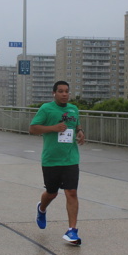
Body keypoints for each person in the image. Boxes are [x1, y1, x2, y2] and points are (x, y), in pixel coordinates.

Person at [29, 81, 86, 245]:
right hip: (51, 160)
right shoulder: (46, 109)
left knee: (71, 192)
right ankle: (42, 208)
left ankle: (72, 230)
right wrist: (53, 128)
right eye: (60, 91)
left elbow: (76, 124)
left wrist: (80, 131)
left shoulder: (73, 109)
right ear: (54, 93)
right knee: (52, 193)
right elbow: (33, 129)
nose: (64, 94)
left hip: (70, 158)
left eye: (66, 91)